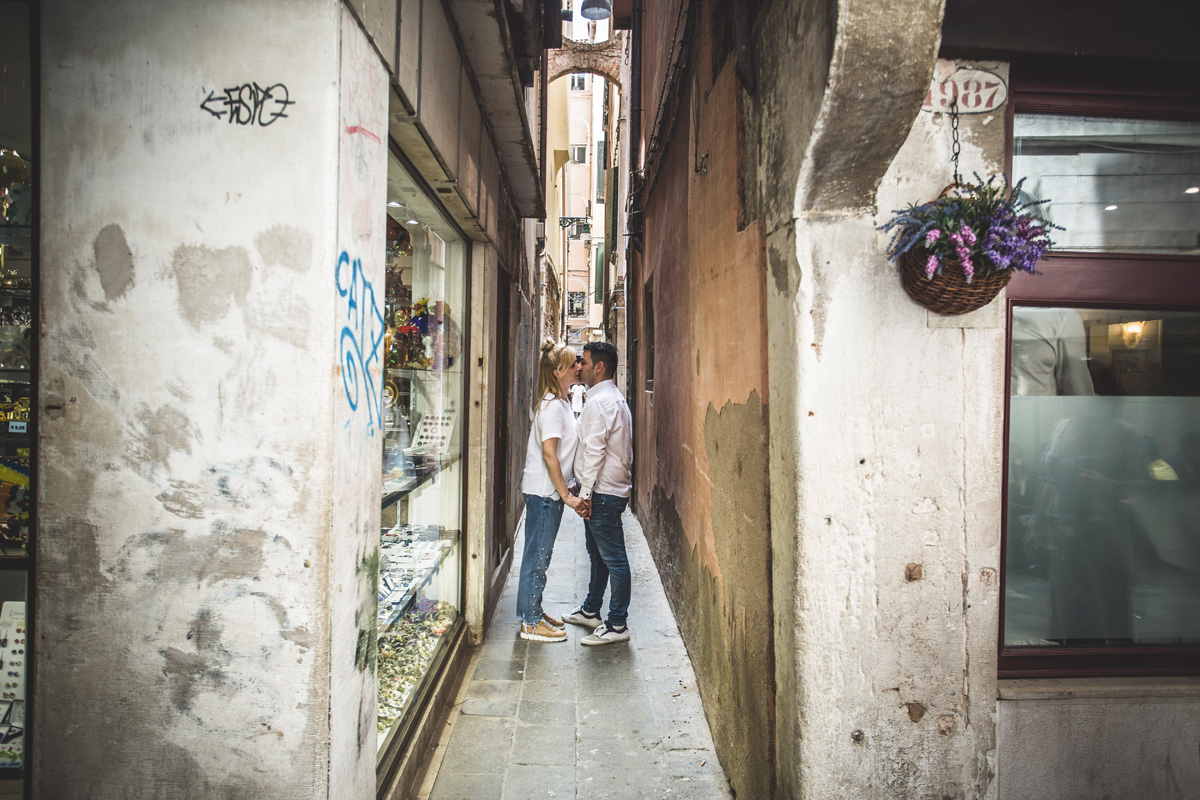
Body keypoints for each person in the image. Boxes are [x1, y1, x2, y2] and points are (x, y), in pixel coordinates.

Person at [563, 341, 634, 645]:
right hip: (607, 490)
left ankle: (617, 624)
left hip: (603, 493)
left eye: (585, 362)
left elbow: (594, 452)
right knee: (598, 556)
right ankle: (592, 610)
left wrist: (586, 494)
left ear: (599, 367)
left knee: (614, 558)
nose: (579, 367)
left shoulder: (598, 403)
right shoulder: (612, 398)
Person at [517, 339, 587, 643]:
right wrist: (568, 496)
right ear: (558, 372)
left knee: (538, 554)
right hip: (545, 494)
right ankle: (531, 623)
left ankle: (532, 611)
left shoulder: (559, 403)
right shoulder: (553, 407)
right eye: (574, 364)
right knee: (538, 556)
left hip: (546, 493)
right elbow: (550, 455)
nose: (579, 367)